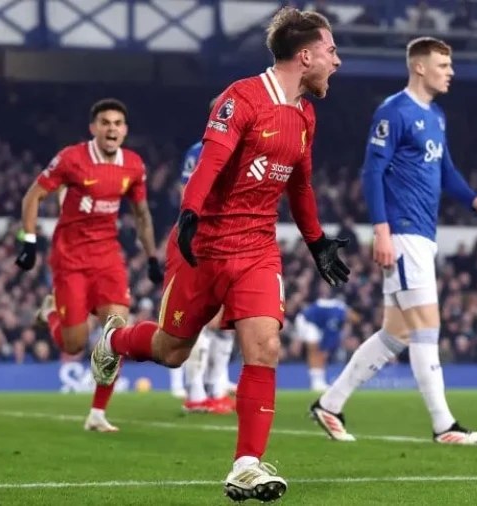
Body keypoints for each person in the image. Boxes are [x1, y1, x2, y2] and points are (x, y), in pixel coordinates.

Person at [90, 7, 347, 502]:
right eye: (332, 51)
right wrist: (189, 214)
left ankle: (245, 465)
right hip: (204, 245)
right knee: (172, 350)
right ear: (306, 55)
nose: (337, 61)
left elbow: (301, 185)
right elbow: (208, 165)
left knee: (265, 346)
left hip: (257, 249)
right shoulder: (242, 97)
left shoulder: (305, 115)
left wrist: (315, 241)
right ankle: (117, 340)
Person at [310, 37, 477, 444]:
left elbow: (446, 170)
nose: (450, 72)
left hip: (422, 235)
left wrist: (476, 202)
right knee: (426, 327)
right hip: (404, 232)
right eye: (443, 65)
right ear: (419, 67)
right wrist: (382, 231)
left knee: (395, 334)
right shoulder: (393, 112)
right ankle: (443, 425)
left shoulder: (436, 115)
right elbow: (371, 173)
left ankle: (329, 404)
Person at [15, 98, 163, 433]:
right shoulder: (72, 159)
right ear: (93, 128)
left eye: (118, 123)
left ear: (124, 130)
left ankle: (97, 413)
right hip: (70, 259)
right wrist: (28, 242)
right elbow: (32, 197)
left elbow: (141, 214)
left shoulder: (134, 166)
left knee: (115, 333)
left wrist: (152, 256)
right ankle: (51, 312)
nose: (112, 128)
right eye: (105, 122)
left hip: (107, 258)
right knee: (74, 344)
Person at [178, 103, 238, 413]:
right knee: (201, 319)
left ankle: (216, 388)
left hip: (235, 242)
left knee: (228, 322)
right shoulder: (197, 151)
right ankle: (196, 393)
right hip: (205, 243)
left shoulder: (247, 150)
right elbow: (186, 192)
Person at [293, 285, 350, 392]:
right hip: (306, 322)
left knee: (320, 352)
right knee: (315, 350)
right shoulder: (337, 312)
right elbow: (329, 333)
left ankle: (319, 381)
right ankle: (316, 382)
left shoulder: (338, 310)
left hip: (316, 324)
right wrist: (298, 339)